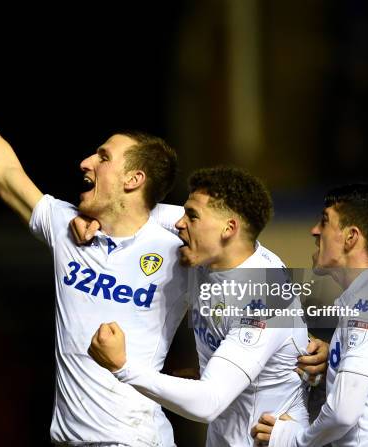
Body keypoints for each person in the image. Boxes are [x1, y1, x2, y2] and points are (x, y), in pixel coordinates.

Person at [0, 31, 190, 446]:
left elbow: (250, 252)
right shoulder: (66, 228)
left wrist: (300, 340)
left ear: (135, 180)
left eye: (103, 157)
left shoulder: (179, 233)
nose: (85, 162)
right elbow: (3, 173)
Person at [87, 166, 323, 446]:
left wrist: (123, 366)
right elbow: (137, 212)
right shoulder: (209, 251)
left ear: (229, 228)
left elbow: (209, 401)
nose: (179, 223)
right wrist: (94, 218)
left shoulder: (266, 293)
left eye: (192, 216)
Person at [251, 183, 368, 447]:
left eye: (324, 221)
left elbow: (344, 414)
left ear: (351, 237)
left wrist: (294, 439)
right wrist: (333, 362)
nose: (314, 230)